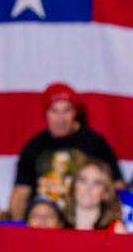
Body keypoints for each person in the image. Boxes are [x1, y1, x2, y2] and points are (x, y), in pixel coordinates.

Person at [8, 82, 124, 221]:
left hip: (84, 222)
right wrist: (19, 232)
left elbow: (117, 188)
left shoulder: (94, 143)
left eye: (66, 110)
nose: (60, 118)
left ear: (75, 112)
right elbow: (20, 195)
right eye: (54, 111)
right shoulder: (34, 146)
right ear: (46, 113)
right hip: (44, 225)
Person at [64, 158, 125, 232]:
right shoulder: (57, 225)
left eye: (97, 183)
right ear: (73, 187)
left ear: (106, 193)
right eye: (83, 180)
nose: (88, 188)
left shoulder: (117, 230)